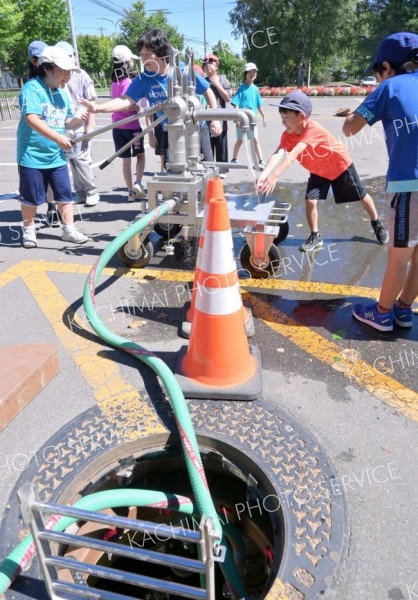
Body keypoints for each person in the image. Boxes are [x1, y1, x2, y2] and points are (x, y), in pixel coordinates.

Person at [343, 32, 418, 332]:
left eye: (378, 75)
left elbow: (350, 128)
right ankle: (403, 309)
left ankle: (382, 313)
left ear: (386, 67)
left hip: (407, 186)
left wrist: (360, 107)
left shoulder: (389, 87)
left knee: (399, 255)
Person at [256, 90, 388, 252]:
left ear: (302, 117)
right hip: (318, 170)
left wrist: (275, 175)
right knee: (310, 201)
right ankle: (315, 236)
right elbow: (279, 153)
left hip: (340, 166)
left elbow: (295, 152)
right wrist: (264, 174)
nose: (283, 122)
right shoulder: (288, 135)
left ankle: (376, 222)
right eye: (282, 118)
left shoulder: (312, 130)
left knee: (361, 197)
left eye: (287, 118)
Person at [80, 28, 222, 169]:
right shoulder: (144, 78)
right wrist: (98, 108)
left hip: (195, 129)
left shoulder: (182, 70)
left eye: (148, 54)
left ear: (161, 53)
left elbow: (207, 91)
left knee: (205, 172)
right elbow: (125, 100)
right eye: (141, 55)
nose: (143, 59)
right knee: (175, 175)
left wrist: (215, 119)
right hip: (170, 130)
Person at [17, 45, 88, 248]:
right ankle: (29, 230)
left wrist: (77, 121)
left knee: (65, 194)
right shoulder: (32, 89)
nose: (67, 75)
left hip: (56, 156)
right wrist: (58, 138)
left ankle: (69, 229)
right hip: (32, 156)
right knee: (31, 197)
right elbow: (31, 119)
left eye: (69, 71)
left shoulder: (62, 93)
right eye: (63, 70)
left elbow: (66, 122)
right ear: (47, 68)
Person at [56, 41, 100, 207]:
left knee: (81, 158)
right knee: (72, 160)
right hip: (65, 124)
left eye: (70, 56)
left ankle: (91, 190)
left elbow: (92, 101)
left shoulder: (81, 75)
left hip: (80, 123)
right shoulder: (57, 76)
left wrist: (91, 126)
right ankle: (80, 192)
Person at [27, 40, 60, 228]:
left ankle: (53, 207)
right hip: (37, 142)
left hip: (55, 139)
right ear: (34, 60)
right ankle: (31, 223)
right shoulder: (32, 87)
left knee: (56, 178)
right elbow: (32, 119)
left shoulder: (53, 84)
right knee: (37, 182)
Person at [110, 44, 146, 201]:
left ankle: (130, 191)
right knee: (140, 155)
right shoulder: (129, 83)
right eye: (131, 60)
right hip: (132, 127)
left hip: (117, 127)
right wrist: (137, 107)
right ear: (127, 62)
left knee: (126, 161)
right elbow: (129, 106)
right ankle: (138, 183)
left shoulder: (113, 83)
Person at [230, 62, 266, 169]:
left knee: (255, 139)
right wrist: (237, 119)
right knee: (240, 140)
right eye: (250, 72)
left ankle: (261, 160)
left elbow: (259, 104)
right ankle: (234, 159)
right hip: (242, 119)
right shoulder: (242, 88)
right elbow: (235, 104)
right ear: (245, 74)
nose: (252, 74)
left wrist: (264, 116)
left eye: (254, 72)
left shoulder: (255, 89)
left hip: (252, 120)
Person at [203, 53, 231, 177]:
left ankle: (222, 170)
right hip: (206, 120)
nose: (208, 65)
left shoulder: (223, 80)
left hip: (221, 119)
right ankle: (208, 169)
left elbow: (227, 98)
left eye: (211, 62)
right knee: (207, 146)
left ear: (217, 66)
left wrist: (217, 85)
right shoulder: (202, 82)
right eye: (205, 63)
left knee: (221, 146)